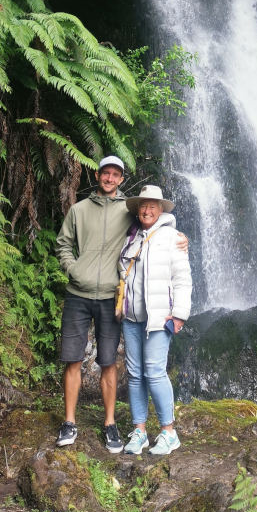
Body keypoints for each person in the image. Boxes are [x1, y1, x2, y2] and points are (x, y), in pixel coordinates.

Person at [54, 155, 131, 453]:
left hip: (111, 295)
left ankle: (110, 424)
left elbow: (155, 222)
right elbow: (63, 244)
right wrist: (74, 269)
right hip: (78, 293)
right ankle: (69, 421)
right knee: (72, 358)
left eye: (115, 175)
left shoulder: (128, 210)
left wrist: (179, 238)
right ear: (97, 175)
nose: (110, 178)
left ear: (121, 179)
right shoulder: (79, 210)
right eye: (105, 173)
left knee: (108, 361)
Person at [119, 184, 191, 455]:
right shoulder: (132, 236)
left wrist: (180, 314)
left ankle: (168, 432)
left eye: (152, 205)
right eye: (143, 206)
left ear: (161, 209)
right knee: (135, 375)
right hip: (131, 317)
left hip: (159, 319)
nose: (147, 210)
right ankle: (139, 431)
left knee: (155, 372)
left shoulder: (173, 237)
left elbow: (183, 280)